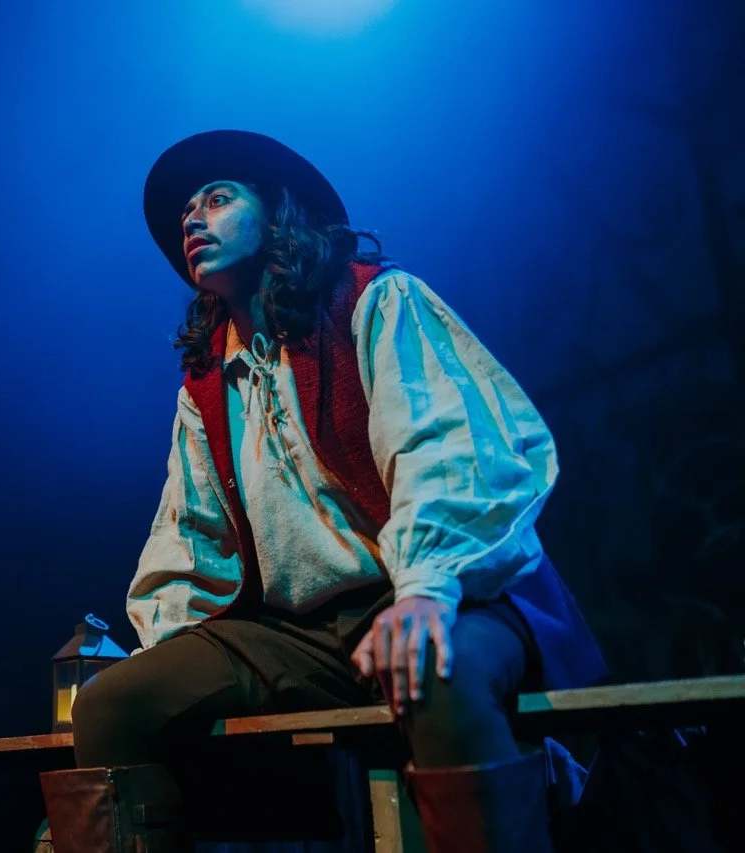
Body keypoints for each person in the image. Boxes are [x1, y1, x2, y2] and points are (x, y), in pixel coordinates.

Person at [38, 130, 606, 853]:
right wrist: (175, 662)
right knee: (114, 705)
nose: (192, 219)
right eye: (186, 210)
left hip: (444, 593)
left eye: (217, 198)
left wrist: (426, 589)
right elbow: (192, 541)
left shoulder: (375, 300)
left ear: (276, 213)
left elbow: (446, 447)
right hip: (302, 638)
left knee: (437, 667)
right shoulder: (206, 386)